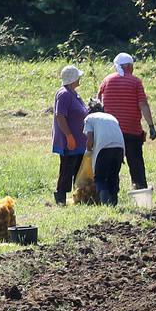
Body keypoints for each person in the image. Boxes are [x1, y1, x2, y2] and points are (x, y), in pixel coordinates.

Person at [98, 53, 156, 192]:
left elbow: (99, 104)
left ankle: (110, 193)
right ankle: (140, 189)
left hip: (110, 131)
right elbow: (143, 104)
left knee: (112, 163)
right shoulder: (135, 82)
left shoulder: (106, 80)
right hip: (131, 130)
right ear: (129, 66)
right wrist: (151, 126)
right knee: (136, 163)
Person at [51, 65, 88, 206]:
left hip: (80, 141)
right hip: (70, 140)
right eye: (78, 76)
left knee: (78, 170)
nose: (80, 78)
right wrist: (69, 135)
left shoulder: (74, 93)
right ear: (73, 79)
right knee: (67, 169)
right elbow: (60, 115)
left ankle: (77, 197)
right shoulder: (64, 94)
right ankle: (60, 198)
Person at [82, 99, 126, 206]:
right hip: (120, 147)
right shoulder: (112, 117)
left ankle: (105, 204)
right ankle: (114, 202)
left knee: (100, 177)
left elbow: (90, 140)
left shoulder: (89, 118)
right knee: (113, 176)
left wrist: (88, 152)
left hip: (104, 148)